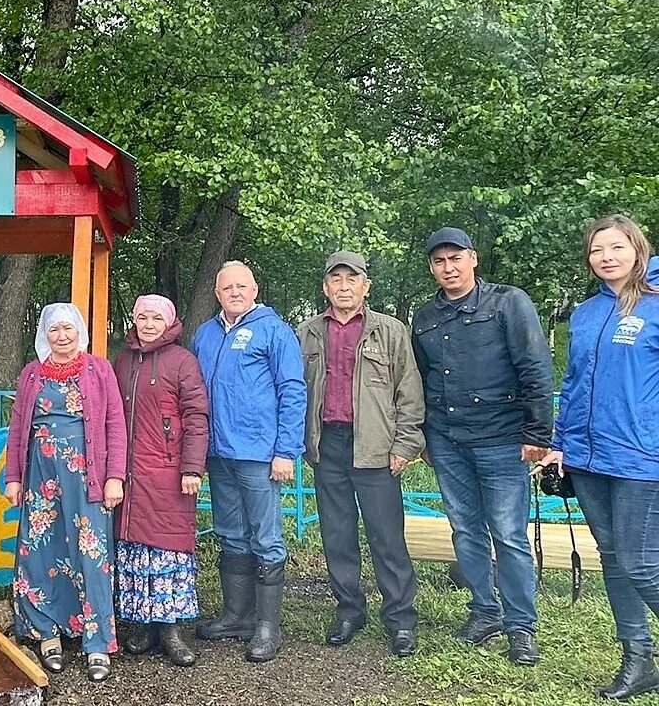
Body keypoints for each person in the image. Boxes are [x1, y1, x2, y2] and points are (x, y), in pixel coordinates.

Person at [411, 227, 553, 666]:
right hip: (448, 440)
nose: (448, 268)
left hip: (502, 439)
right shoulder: (425, 316)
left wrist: (538, 434)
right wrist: (422, 435)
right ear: (432, 268)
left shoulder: (509, 302)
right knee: (465, 530)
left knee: (509, 535)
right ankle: (484, 610)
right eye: (439, 261)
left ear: (473, 259)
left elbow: (535, 366)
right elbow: (420, 380)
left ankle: (521, 625)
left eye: (456, 258)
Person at [538, 215, 659, 699]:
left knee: (641, 563)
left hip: (641, 457)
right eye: (596, 250)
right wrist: (559, 445)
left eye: (616, 247)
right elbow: (572, 385)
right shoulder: (586, 314)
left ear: (638, 249)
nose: (606, 257)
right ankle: (638, 657)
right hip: (588, 459)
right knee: (612, 558)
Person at [297, 252, 424, 658]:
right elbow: (294, 390)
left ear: (366, 286)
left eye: (352, 279)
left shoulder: (390, 331)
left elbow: (409, 392)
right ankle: (349, 610)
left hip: (376, 447)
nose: (344, 286)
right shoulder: (307, 332)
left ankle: (401, 619)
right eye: (336, 279)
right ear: (325, 287)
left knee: (386, 537)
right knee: (337, 535)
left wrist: (405, 445)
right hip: (328, 446)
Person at [191, 260, 305, 664]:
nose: (235, 292)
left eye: (242, 286)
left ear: (254, 290)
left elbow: (292, 390)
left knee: (266, 537)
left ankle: (268, 626)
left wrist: (285, 451)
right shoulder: (204, 335)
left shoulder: (275, 331)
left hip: (259, 453)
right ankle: (237, 616)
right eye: (227, 288)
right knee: (230, 532)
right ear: (217, 293)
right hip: (218, 453)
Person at [5, 303, 126, 682]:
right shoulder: (31, 374)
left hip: (87, 474)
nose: (62, 336)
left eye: (68, 329)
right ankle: (47, 632)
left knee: (91, 553)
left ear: (80, 332)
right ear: (44, 334)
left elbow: (115, 424)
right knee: (40, 550)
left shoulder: (98, 370)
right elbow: (17, 428)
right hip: (40, 474)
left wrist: (114, 477)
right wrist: (13, 477)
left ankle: (97, 642)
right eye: (54, 330)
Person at [111, 294, 209, 667]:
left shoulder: (183, 362)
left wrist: (191, 467)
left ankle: (170, 630)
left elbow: (197, 416)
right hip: (131, 475)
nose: (148, 324)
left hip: (169, 472)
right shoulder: (122, 361)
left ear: (169, 322)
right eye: (142, 317)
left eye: (156, 318)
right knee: (135, 549)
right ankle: (143, 627)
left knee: (168, 549)